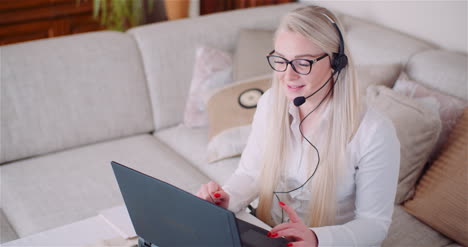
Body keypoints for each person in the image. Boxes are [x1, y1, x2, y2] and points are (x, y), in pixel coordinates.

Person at [196, 5, 400, 247]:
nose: (288, 76)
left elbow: (374, 224)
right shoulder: (271, 102)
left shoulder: (374, 132)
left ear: (336, 63)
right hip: (269, 233)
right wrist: (227, 199)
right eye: (281, 60)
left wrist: (316, 239)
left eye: (303, 63)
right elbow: (250, 172)